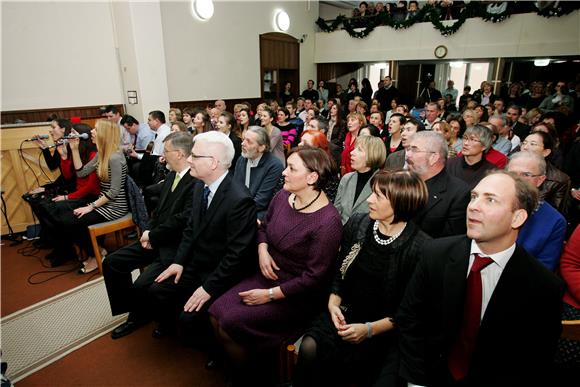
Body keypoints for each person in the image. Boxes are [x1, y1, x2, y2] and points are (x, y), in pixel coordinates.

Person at [397, 171, 565, 386]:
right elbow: (410, 319)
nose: (473, 206)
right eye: (474, 196)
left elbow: (535, 359)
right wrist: (417, 382)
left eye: (490, 200)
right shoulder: (435, 253)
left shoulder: (544, 286)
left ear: (517, 218)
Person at [209, 146, 342, 385]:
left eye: (292, 168)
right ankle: (246, 362)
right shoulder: (283, 196)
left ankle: (250, 376)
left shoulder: (328, 221)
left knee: (230, 323)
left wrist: (269, 295)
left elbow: (315, 278)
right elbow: (263, 228)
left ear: (312, 177)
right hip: (267, 275)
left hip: (297, 295)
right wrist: (262, 249)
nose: (283, 173)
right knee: (216, 310)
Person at [294, 170, 431, 387]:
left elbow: (409, 312)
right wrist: (333, 304)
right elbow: (339, 270)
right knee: (310, 347)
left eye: (378, 196)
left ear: (401, 203)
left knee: (355, 371)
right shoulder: (359, 223)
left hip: (382, 327)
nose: (369, 199)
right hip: (343, 311)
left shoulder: (420, 248)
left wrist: (368, 330)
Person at [129, 131, 256, 343]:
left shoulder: (239, 200)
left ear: (213, 163)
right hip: (196, 263)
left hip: (220, 272)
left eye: (195, 156)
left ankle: (214, 349)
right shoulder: (200, 185)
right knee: (157, 289)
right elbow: (190, 230)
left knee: (189, 320)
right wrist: (178, 262)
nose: (189, 160)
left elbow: (236, 256)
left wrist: (208, 288)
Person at [105, 132, 196, 339]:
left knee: (142, 284)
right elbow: (160, 211)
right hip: (156, 238)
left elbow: (183, 220)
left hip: (173, 245)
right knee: (112, 262)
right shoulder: (173, 174)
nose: (162, 156)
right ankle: (134, 310)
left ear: (180, 154)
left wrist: (153, 236)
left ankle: (138, 316)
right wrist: (147, 231)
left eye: (166, 151)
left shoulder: (195, 179)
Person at [48, 120, 129, 273]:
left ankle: (94, 254)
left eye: (96, 130)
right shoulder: (102, 154)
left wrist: (89, 207)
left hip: (115, 206)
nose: (92, 132)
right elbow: (81, 172)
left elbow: (113, 192)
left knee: (70, 220)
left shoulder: (115, 158)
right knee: (65, 217)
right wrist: (74, 149)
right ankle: (97, 250)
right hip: (103, 202)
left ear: (104, 134)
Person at [508, 152, 566, 271]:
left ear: (540, 180)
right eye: (512, 173)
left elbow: (543, 269)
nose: (517, 179)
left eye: (526, 174)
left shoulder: (554, 221)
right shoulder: (488, 205)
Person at [405, 131, 470, 238]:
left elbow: (449, 241)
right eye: (408, 149)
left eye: (414, 150)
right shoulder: (401, 182)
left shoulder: (458, 193)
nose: (408, 154)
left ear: (433, 157)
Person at [233, 126, 284, 221]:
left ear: (261, 148)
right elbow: (235, 189)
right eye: (244, 139)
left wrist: (237, 211)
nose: (242, 143)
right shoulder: (242, 159)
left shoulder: (274, 165)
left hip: (260, 213)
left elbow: (262, 201)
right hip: (241, 208)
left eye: (249, 141)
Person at [335, 135, 386, 224]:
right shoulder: (346, 179)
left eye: (359, 150)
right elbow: (337, 211)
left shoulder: (383, 184)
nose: (352, 152)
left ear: (372, 154)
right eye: (354, 148)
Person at [521, 130, 571, 214]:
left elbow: (552, 213)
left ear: (546, 152)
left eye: (532, 144)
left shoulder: (558, 179)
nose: (525, 147)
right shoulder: (511, 166)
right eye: (524, 143)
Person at [446, 125, 496, 190]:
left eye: (473, 139)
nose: (466, 143)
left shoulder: (491, 172)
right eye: (465, 138)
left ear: (484, 146)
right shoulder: (449, 164)